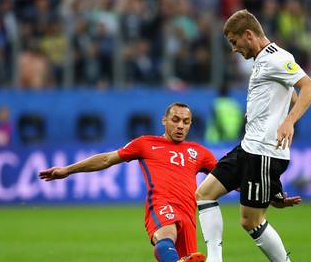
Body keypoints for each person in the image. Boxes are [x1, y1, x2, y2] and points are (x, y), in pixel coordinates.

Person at [195, 9, 311, 262]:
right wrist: (278, 113)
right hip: (249, 147)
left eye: (234, 42)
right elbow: (291, 95)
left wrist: (289, 120)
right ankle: (214, 259)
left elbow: (309, 87)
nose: (234, 49)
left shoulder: (277, 58)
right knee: (204, 194)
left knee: (250, 221)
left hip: (263, 152)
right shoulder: (263, 60)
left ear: (248, 35)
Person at [39, 103, 216, 262]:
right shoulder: (145, 144)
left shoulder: (200, 152)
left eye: (186, 122)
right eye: (175, 120)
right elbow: (107, 159)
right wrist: (68, 170)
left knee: (182, 255)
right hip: (162, 204)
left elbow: (225, 178)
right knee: (165, 236)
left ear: (190, 124)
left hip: (188, 214)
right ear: (164, 120)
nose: (180, 126)